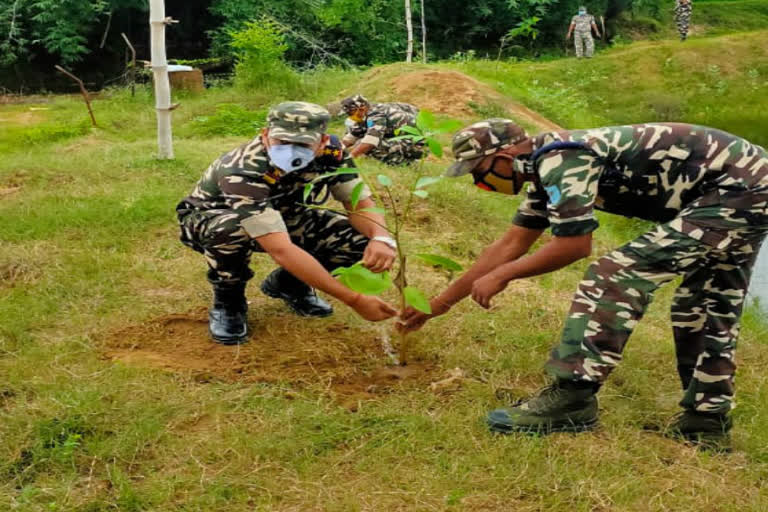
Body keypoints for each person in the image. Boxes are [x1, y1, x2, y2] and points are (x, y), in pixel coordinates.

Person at [399, 119, 768, 447]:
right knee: (706, 303)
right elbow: (510, 244)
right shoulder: (545, 169)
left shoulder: (561, 157)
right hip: (745, 187)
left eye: (480, 171)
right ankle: (706, 422)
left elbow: (574, 246)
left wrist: (504, 275)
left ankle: (572, 396)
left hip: (739, 188)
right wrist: (438, 304)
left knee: (615, 274)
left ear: (507, 154)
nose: (481, 183)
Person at [176, 101, 398, 345]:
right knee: (231, 230)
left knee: (356, 239)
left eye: (302, 144)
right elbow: (280, 249)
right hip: (213, 219)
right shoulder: (242, 169)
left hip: (285, 213)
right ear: (266, 135)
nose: (291, 150)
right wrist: (354, 299)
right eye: (282, 142)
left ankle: (289, 284)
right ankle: (229, 302)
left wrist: (381, 238)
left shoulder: (333, 152)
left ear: (322, 142)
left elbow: (357, 203)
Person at [340, 94, 425, 165]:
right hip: (404, 140)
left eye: (350, 113)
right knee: (360, 142)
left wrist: (349, 158)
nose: (350, 116)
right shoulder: (368, 113)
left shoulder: (376, 114)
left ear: (362, 108)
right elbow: (353, 135)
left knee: (372, 147)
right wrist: (338, 149)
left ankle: (407, 164)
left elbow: (371, 142)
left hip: (418, 144)